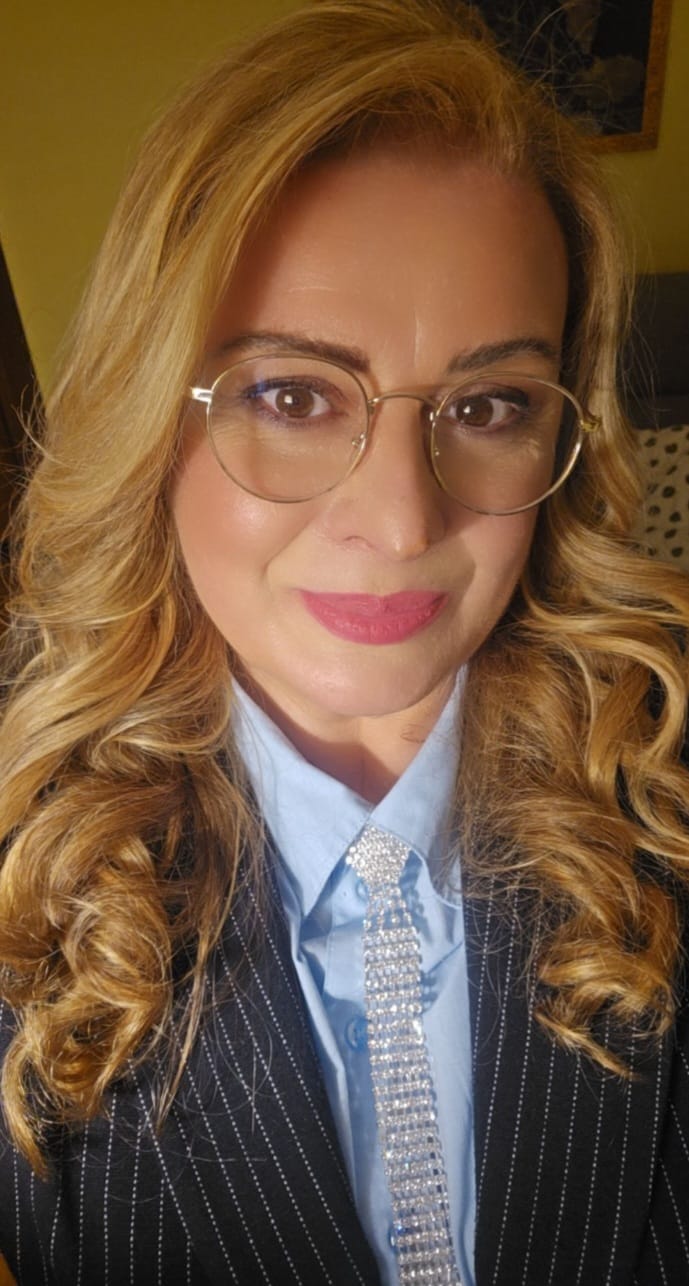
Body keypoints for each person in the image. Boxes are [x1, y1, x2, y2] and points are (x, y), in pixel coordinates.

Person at [1, 1, 688, 1282]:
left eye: (487, 405)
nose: (402, 520)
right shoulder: (23, 871)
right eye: (292, 393)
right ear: (151, 419)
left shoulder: (663, 790)